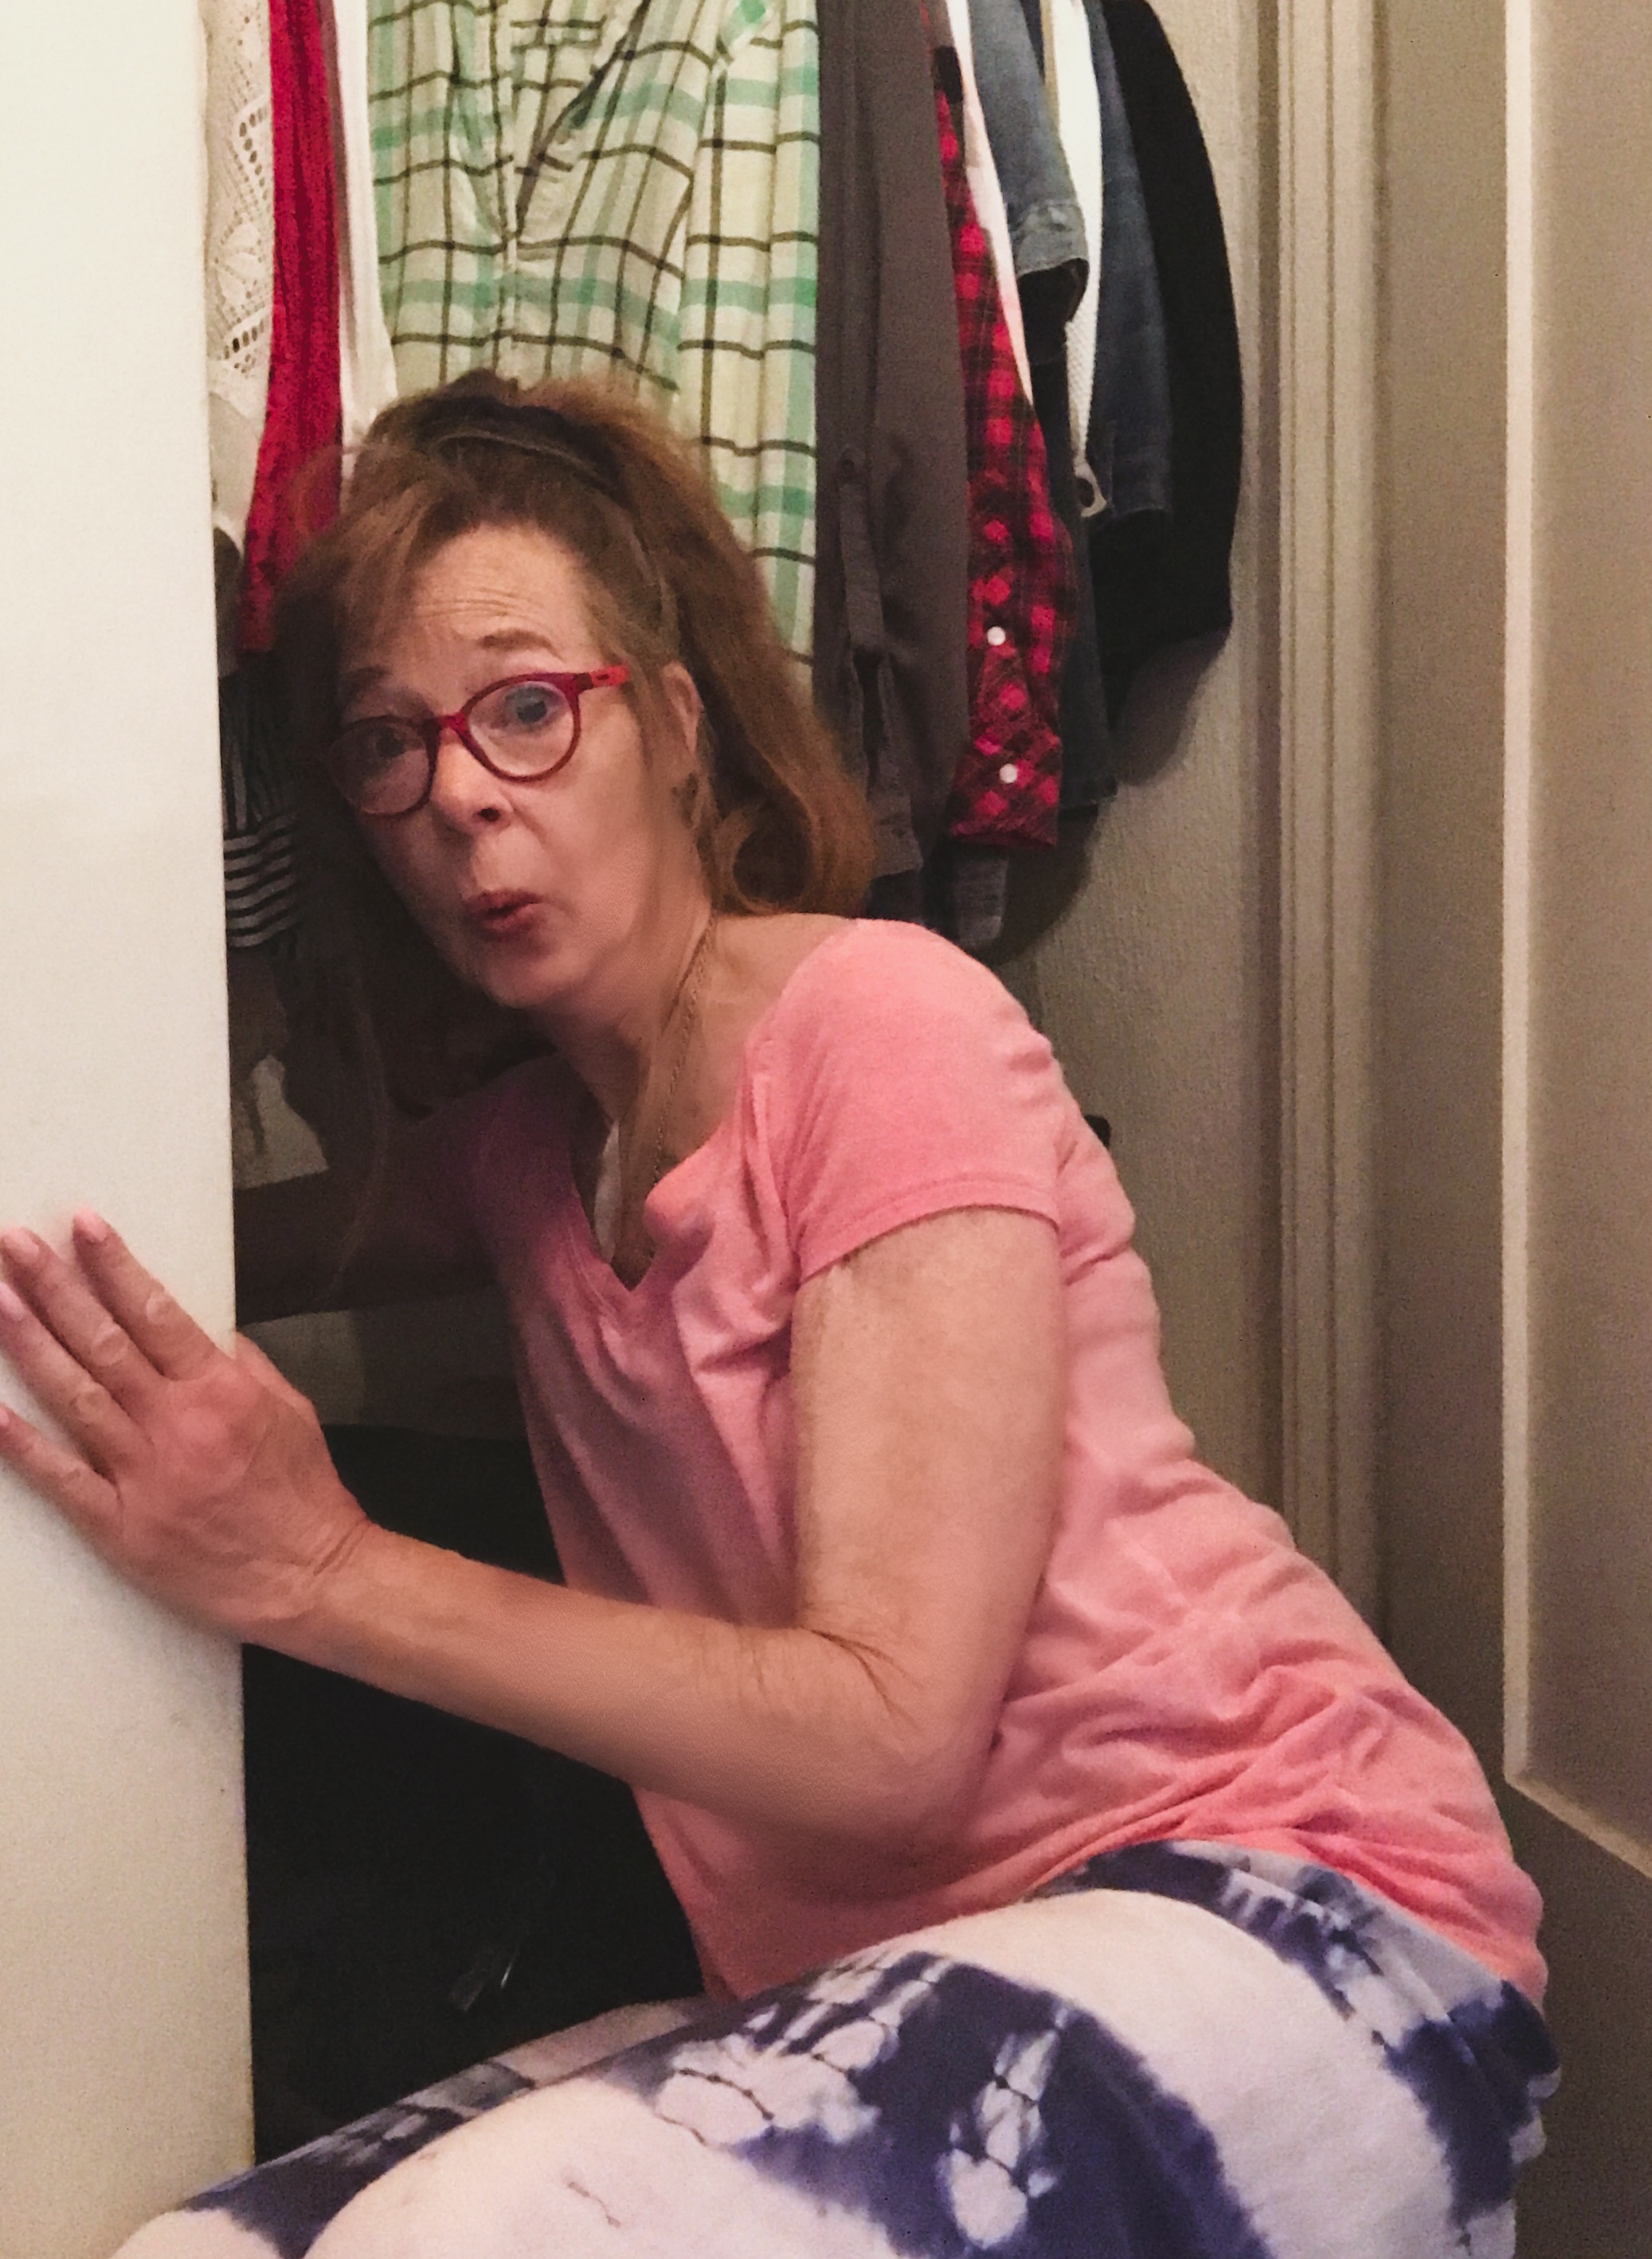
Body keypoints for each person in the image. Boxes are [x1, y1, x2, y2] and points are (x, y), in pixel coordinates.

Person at [0, 375, 1554, 2259]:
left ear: (671, 728)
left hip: (1289, 1909)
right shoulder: (519, 1159)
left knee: (466, 2239)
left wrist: (319, 1564)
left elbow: (891, 1729)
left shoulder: (881, 1023)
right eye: (388, 741)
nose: (461, 789)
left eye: (524, 704)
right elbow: (179, 1241)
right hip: (877, 1978)